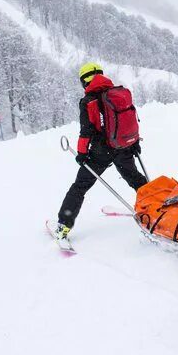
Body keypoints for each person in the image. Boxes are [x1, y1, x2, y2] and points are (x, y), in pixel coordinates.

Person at [50, 62, 148, 242]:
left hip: (101, 152)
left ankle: (63, 226)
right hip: (124, 145)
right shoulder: (119, 93)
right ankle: (156, 208)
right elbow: (131, 119)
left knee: (79, 186)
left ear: (84, 81)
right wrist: (133, 142)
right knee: (134, 177)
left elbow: (86, 132)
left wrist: (81, 154)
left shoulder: (88, 101)